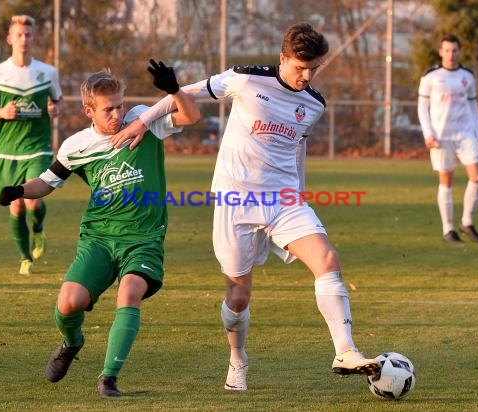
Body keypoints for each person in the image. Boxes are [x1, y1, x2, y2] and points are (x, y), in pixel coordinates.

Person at [111, 22, 381, 391]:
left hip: (284, 200)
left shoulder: (314, 103)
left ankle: (345, 350)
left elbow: (297, 149)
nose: (307, 75)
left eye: (314, 68)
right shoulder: (245, 79)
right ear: (283, 57)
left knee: (327, 260)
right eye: (300, 67)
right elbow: (187, 92)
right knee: (238, 296)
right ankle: (237, 359)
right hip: (235, 200)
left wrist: (299, 192)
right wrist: (142, 121)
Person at [0, 64, 200, 397]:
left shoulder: (142, 122)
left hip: (143, 238)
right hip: (99, 238)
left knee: (130, 291)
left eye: (120, 104)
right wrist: (20, 190)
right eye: (109, 108)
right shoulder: (77, 146)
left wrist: (174, 90)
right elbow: (46, 183)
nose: (118, 114)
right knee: (68, 303)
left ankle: (108, 377)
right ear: (88, 110)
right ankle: (72, 342)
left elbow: (191, 117)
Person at [0, 15, 63, 275]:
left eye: (28, 34)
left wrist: (54, 108)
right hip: (8, 152)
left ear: (33, 38)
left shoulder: (48, 72)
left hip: (39, 148)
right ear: (10, 38)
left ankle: (38, 229)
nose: (24, 39)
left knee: (32, 202)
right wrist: (1, 112)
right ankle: (25, 257)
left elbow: (57, 102)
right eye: (19, 34)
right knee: (14, 205)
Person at [418, 34, 478, 243]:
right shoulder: (431, 76)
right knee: (446, 181)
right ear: (441, 52)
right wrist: (428, 134)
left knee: (476, 177)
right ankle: (448, 228)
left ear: (459, 52)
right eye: (447, 50)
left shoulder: (467, 76)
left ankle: (466, 222)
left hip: (465, 134)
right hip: (441, 136)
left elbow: (473, 106)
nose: (451, 54)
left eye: (454, 50)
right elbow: (422, 107)